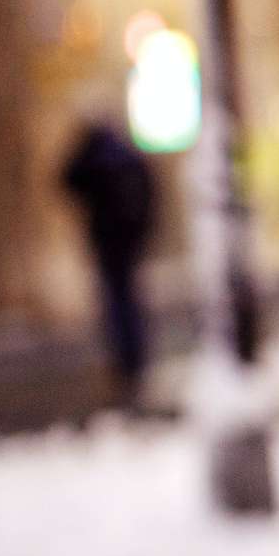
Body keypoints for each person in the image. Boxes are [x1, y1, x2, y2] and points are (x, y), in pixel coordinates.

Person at [61, 122, 157, 413]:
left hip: (107, 242)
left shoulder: (93, 158)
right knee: (129, 301)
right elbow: (150, 191)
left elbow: (67, 180)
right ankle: (134, 358)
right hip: (127, 243)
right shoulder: (129, 157)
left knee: (117, 302)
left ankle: (125, 360)